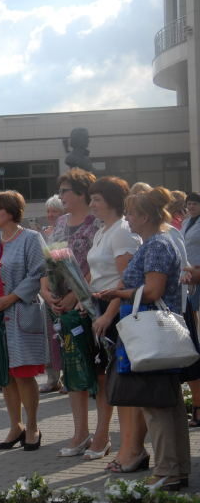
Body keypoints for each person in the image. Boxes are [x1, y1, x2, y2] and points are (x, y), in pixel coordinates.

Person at [95, 188, 189, 490]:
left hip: (153, 336)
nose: (128, 219)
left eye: (131, 213)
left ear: (145, 216)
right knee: (169, 404)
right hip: (157, 336)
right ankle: (176, 470)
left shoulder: (158, 244)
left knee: (157, 405)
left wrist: (118, 293)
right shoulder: (157, 241)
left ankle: (166, 473)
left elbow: (153, 291)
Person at [0, 190, 47, 451]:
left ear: (11, 212)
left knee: (23, 373)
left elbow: (38, 274)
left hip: (21, 313)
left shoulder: (31, 238)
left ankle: (33, 426)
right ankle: (15, 425)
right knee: (5, 376)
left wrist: (12, 298)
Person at [43, 168, 101, 454]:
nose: (61, 196)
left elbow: (100, 267)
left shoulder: (98, 223)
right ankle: (80, 434)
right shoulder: (61, 222)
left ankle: (102, 435)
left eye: (65, 191)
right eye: (61, 191)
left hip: (91, 306)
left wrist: (77, 294)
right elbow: (49, 261)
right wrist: (48, 293)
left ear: (82, 193)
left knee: (98, 371)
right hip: (63, 308)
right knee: (73, 370)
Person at [84, 177, 140, 465]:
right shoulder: (101, 231)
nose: (91, 204)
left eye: (97, 199)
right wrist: (85, 298)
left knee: (121, 381)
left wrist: (108, 313)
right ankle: (107, 438)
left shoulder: (122, 232)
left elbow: (126, 280)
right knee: (105, 378)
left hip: (118, 309)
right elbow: (96, 274)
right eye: (91, 199)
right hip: (100, 306)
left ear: (113, 202)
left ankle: (130, 446)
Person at [40, 194, 66, 393]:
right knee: (50, 337)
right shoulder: (42, 233)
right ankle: (52, 378)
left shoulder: (66, 231)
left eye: (54, 211)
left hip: (65, 290)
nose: (50, 215)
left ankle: (67, 376)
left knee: (64, 335)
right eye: (48, 211)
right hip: (48, 292)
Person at [181, 191, 200, 427]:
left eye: (196, 204)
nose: (192, 207)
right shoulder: (185, 222)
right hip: (189, 275)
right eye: (190, 204)